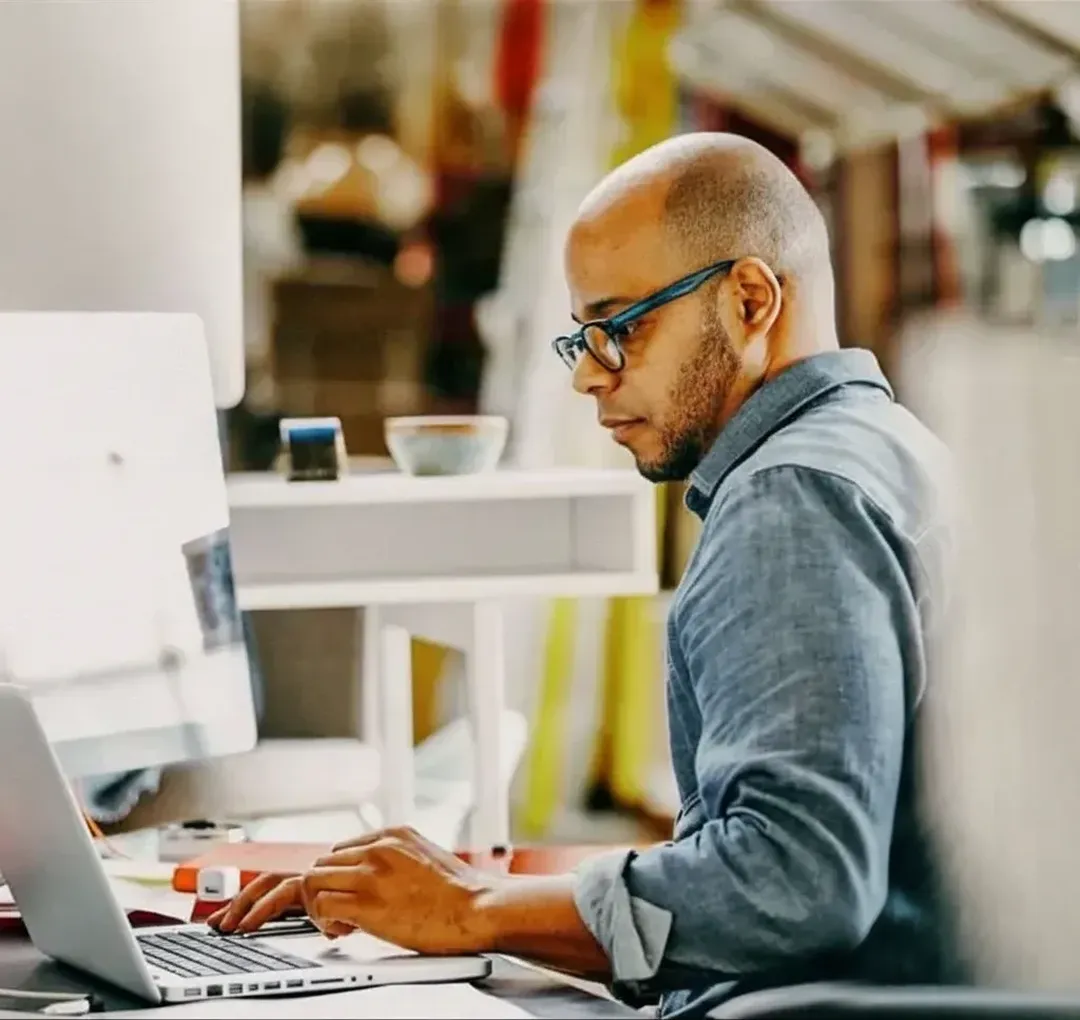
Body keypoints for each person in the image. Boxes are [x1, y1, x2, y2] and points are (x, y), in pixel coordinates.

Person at [209, 133, 958, 1017]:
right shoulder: (892, 452)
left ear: (751, 298)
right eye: (583, 340)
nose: (591, 379)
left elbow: (795, 882)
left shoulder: (790, 500)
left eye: (622, 329)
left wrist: (472, 909)